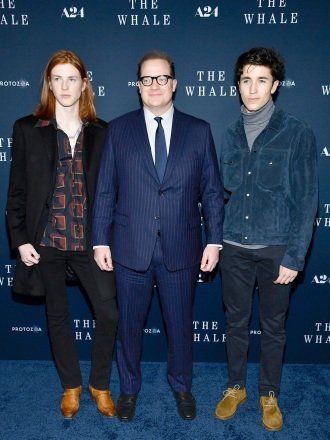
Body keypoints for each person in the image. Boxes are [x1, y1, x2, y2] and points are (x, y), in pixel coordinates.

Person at [92, 50, 223, 422]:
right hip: (130, 248)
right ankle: (129, 389)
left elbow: (212, 191)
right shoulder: (118, 130)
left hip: (181, 249)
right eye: (147, 79)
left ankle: (182, 386)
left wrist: (214, 240)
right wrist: (100, 239)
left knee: (180, 327)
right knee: (128, 327)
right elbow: (105, 190)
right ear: (138, 85)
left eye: (161, 78)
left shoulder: (199, 131)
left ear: (174, 84)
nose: (154, 85)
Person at [6, 50, 118, 419]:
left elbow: (112, 192)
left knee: (109, 314)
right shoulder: (27, 128)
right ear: (49, 83)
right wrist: (20, 239)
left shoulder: (102, 131)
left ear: (84, 82)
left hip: (91, 241)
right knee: (57, 315)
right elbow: (17, 191)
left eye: (73, 78)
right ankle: (71, 385)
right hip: (46, 241)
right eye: (58, 78)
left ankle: (98, 384)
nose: (65, 85)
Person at [215, 47, 318, 431]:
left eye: (261, 80)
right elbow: (221, 195)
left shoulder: (297, 132)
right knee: (235, 324)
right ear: (237, 84)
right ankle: (236, 386)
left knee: (273, 327)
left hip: (277, 250)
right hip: (234, 248)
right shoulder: (228, 134)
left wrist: (294, 257)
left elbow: (307, 200)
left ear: (275, 85)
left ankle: (268, 393)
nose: (252, 88)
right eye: (246, 80)